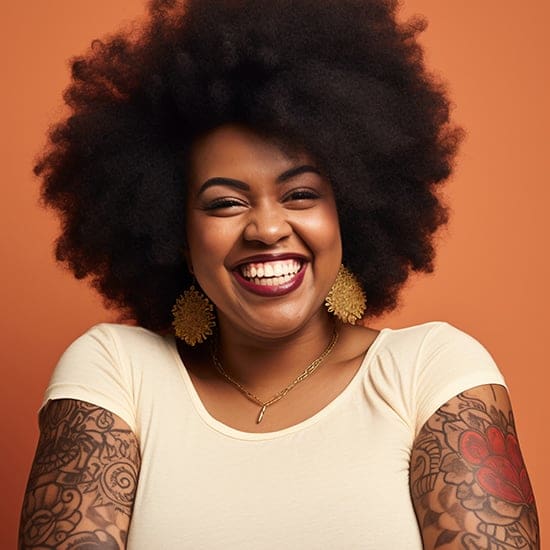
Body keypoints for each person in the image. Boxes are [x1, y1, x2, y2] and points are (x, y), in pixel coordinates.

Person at [19, 0, 539, 548]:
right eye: (224, 203)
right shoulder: (117, 371)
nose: (267, 228)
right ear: (171, 229)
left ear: (350, 211)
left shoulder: (430, 371)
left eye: (300, 194)